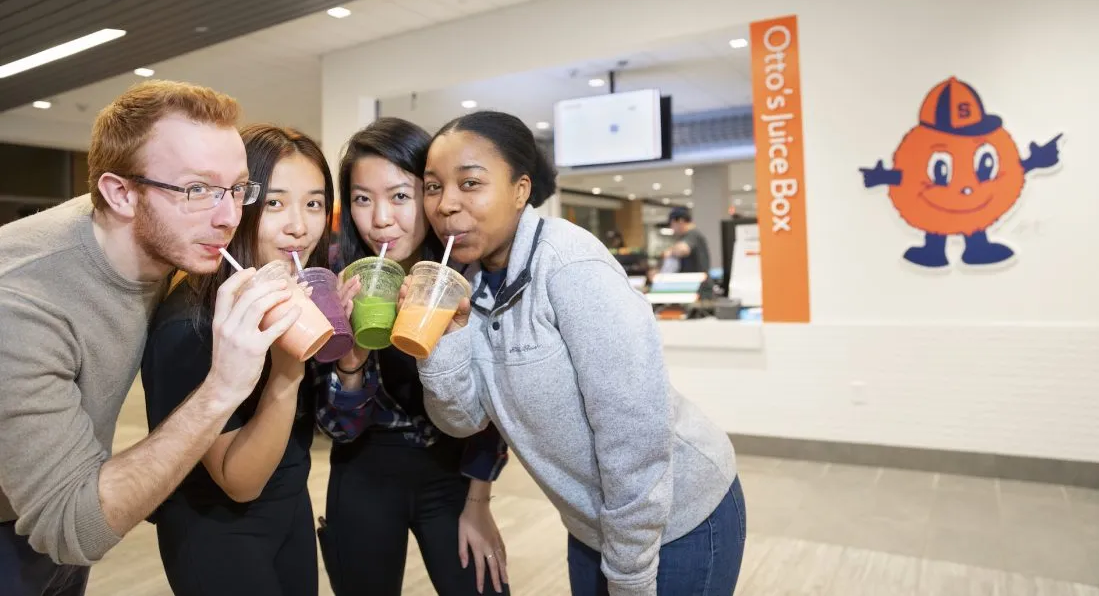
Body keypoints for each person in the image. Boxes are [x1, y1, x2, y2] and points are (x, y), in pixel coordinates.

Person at [411, 111, 746, 596]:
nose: (446, 205)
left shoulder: (570, 265)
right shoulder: (472, 286)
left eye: (470, 183)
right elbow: (462, 420)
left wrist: (630, 573)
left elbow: (634, 433)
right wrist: (444, 335)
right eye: (433, 187)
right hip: (592, 524)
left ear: (521, 190)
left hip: (679, 519)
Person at [0, 81, 301, 595]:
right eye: (197, 190)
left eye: (237, 188)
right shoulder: (23, 301)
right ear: (120, 193)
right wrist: (222, 388)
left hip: (69, 499)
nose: (229, 216)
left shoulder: (162, 234)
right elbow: (73, 528)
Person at [316, 117, 511, 596]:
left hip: (452, 473)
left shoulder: (468, 275)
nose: (381, 218)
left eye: (400, 196)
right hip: (363, 470)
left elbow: (495, 407)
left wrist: (479, 500)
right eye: (362, 198)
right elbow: (337, 428)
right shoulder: (336, 277)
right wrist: (352, 354)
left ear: (430, 194)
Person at [140, 125, 332, 595]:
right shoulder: (190, 325)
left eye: (314, 203)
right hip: (218, 530)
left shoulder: (287, 293)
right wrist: (290, 370)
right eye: (275, 203)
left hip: (289, 505)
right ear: (237, 206)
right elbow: (239, 481)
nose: (299, 226)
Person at [661, 208, 711, 275]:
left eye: (672, 224)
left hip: (697, 283)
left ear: (681, 221)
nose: (672, 228)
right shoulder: (689, 235)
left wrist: (670, 252)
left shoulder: (692, 234)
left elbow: (682, 250)